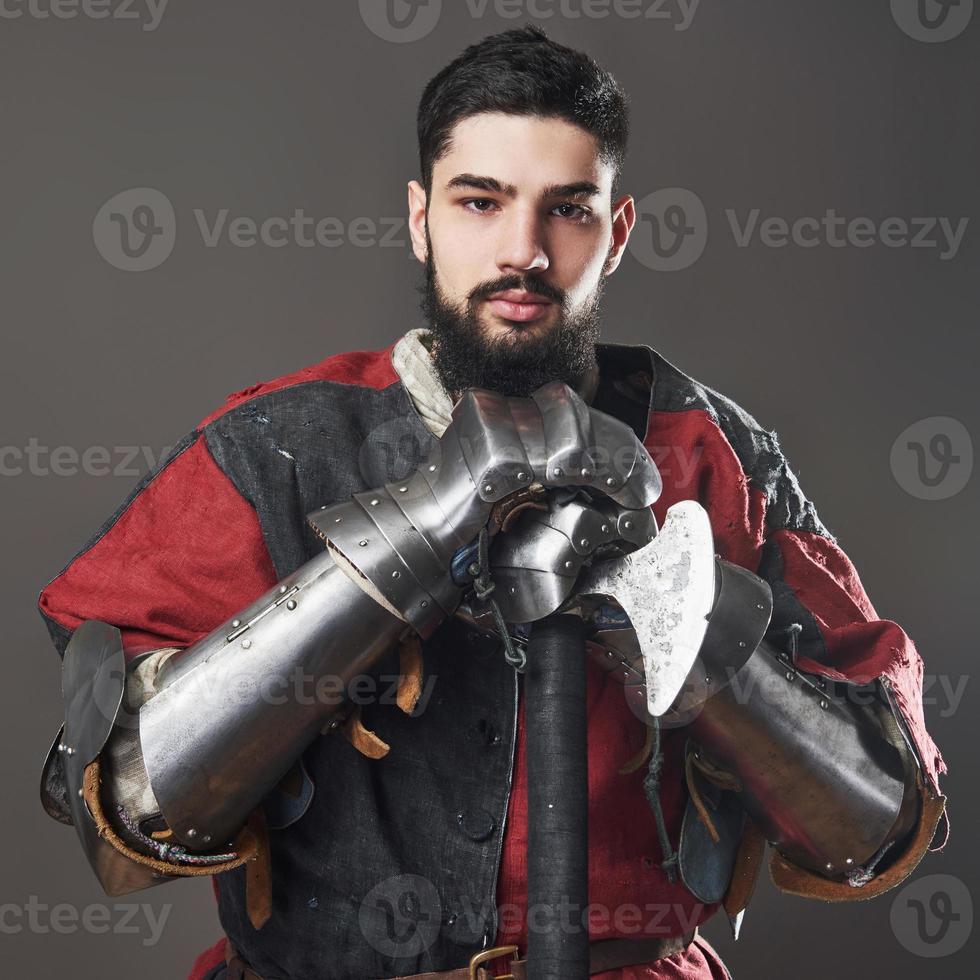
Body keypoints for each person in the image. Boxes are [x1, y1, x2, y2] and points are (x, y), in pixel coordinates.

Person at [37, 25, 948, 980]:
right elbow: (133, 799)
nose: (525, 252)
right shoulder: (277, 446)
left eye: (568, 210)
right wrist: (416, 534)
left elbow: (873, 822)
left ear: (618, 231)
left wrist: (683, 623)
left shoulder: (714, 454)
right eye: (481, 202)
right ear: (421, 217)